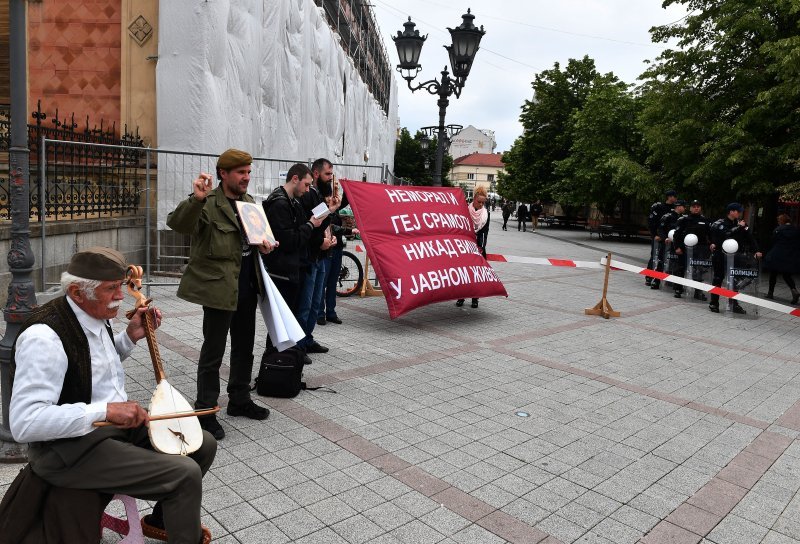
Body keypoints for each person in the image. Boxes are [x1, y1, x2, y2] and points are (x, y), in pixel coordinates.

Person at [9, 247, 216, 544]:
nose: (121, 296)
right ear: (78, 292)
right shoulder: (44, 338)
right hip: (67, 450)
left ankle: (164, 521)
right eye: (112, 289)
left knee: (202, 444)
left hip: (108, 432)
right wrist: (105, 411)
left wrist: (129, 337)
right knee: (183, 473)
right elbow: (24, 423)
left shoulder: (92, 309)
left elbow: (90, 367)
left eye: (120, 286)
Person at [166, 149, 276, 440]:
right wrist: (196, 199)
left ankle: (239, 399)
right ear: (223, 173)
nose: (247, 178)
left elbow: (257, 240)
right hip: (217, 288)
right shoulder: (208, 202)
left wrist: (264, 244)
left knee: (244, 347)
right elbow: (178, 224)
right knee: (213, 351)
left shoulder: (250, 204)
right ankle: (205, 411)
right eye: (241, 172)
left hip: (246, 286)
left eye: (249, 172)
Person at [261, 163, 322, 365]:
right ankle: (275, 362)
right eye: (306, 184)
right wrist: (311, 225)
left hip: (290, 270)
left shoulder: (292, 201)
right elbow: (290, 240)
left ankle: (285, 360)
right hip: (282, 272)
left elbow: (302, 229)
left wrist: (323, 214)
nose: (307, 190)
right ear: (295, 179)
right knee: (280, 324)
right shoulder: (280, 203)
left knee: (287, 321)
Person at [296, 158, 340, 356]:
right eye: (327, 174)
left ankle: (308, 338)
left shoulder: (319, 194)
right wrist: (319, 241)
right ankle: (298, 346)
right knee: (305, 305)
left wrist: (329, 237)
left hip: (321, 255)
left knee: (315, 303)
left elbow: (322, 222)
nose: (330, 179)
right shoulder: (308, 195)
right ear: (316, 174)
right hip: (311, 255)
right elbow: (309, 224)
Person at [708, 202, 762, 314]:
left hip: (736, 256)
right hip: (721, 255)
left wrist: (756, 250)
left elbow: (750, 237)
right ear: (731, 211)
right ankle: (714, 302)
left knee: (735, 280)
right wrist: (738, 227)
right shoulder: (720, 223)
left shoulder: (741, 224)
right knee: (718, 278)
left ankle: (733, 304)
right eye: (738, 211)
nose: (740, 213)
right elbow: (724, 236)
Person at [318, 182, 359, 326]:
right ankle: (320, 313)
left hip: (337, 248)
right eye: (329, 196)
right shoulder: (322, 209)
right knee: (322, 283)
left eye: (332, 195)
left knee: (332, 282)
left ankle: (331, 312)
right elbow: (330, 226)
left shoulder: (334, 207)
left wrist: (348, 187)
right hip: (326, 250)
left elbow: (345, 201)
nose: (332, 198)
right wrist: (348, 231)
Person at [457, 187, 490, 309]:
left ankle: (475, 299)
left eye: (483, 202)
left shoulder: (486, 214)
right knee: (464, 273)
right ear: (474, 198)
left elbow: (485, 232)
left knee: (476, 274)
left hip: (478, 247)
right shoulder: (465, 210)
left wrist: (481, 246)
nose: (481, 204)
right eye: (479, 201)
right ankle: (461, 296)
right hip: (465, 246)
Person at [672, 200, 710, 299]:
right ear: (690, 208)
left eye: (698, 206)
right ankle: (678, 289)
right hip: (684, 249)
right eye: (694, 206)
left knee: (699, 271)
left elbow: (709, 235)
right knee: (681, 268)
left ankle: (698, 292)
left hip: (699, 250)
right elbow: (677, 234)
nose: (696, 208)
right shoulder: (684, 219)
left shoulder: (705, 220)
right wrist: (677, 247)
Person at [764, 214, 800, 304]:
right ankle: (794, 290)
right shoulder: (796, 230)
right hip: (790, 256)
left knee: (773, 273)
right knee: (786, 275)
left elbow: (773, 241)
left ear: (781, 221)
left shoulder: (778, 230)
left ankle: (770, 293)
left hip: (777, 255)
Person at [652, 199, 686, 290]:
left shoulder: (684, 219)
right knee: (661, 262)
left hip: (678, 245)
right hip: (666, 244)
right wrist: (665, 238)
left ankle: (676, 285)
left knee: (677, 265)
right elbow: (660, 229)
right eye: (683, 206)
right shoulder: (668, 217)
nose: (685, 208)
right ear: (679, 207)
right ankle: (656, 281)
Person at [646, 189, 677, 286]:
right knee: (654, 256)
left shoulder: (675, 209)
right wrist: (654, 235)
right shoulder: (659, 207)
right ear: (669, 197)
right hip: (658, 237)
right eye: (674, 196)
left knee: (667, 258)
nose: (675, 199)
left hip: (670, 238)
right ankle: (649, 276)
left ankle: (667, 278)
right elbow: (652, 222)